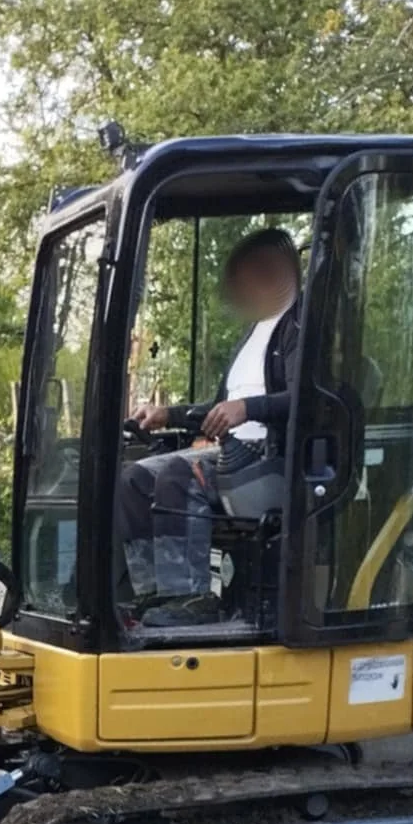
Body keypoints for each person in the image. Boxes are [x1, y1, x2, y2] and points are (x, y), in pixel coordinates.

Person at [118, 227, 302, 628]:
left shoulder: (299, 325)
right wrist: (168, 414)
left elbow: (308, 399)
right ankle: (154, 593)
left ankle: (193, 596)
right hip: (231, 458)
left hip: (274, 462)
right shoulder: (252, 334)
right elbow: (219, 408)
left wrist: (248, 408)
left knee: (178, 475)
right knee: (133, 480)